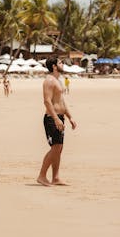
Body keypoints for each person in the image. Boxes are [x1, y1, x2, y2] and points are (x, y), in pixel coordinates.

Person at [37, 56, 77, 187]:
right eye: (60, 62)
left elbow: (61, 101)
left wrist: (70, 117)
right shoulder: (49, 81)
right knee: (55, 147)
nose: (63, 64)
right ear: (54, 66)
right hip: (51, 118)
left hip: (60, 117)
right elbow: (47, 101)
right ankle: (42, 176)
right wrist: (55, 119)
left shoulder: (58, 80)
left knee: (59, 149)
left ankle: (55, 177)